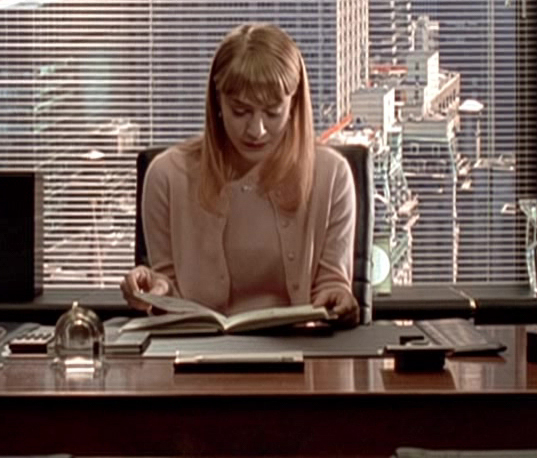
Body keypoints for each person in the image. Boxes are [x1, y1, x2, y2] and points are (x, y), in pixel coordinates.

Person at [122, 23, 359, 322]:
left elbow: (332, 283)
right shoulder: (167, 177)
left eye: (272, 112)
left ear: (294, 104)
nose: (256, 130)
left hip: (299, 342)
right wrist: (154, 289)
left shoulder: (332, 175)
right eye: (240, 111)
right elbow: (169, 294)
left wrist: (337, 295)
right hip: (199, 345)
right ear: (218, 103)